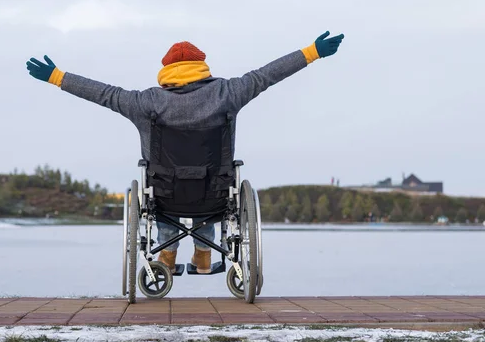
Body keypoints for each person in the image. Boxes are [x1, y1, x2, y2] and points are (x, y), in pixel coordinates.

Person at [26, 31, 345, 273]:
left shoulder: (145, 102)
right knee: (208, 187)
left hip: (164, 194)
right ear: (201, 66)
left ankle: (166, 256)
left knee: (161, 192)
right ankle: (204, 257)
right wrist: (311, 52)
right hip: (216, 194)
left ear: (167, 70)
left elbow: (103, 94)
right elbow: (266, 75)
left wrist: (57, 76)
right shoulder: (227, 93)